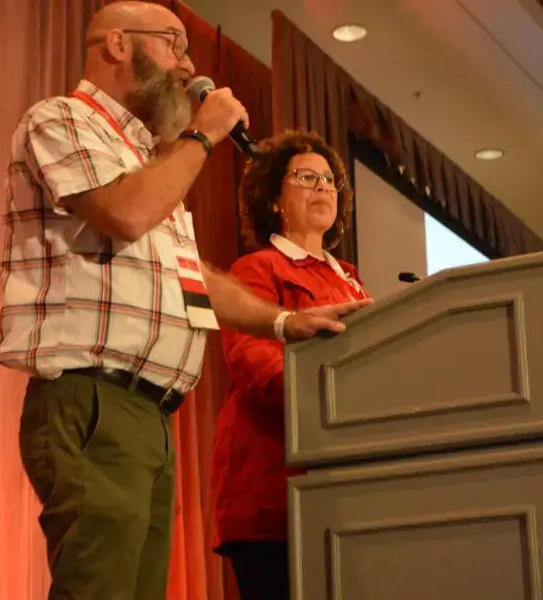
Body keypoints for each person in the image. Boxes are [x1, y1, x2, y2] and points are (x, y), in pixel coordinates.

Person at [0, 3, 370, 599]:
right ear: (117, 44)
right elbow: (125, 213)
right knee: (98, 588)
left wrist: (282, 320)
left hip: (150, 414)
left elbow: (190, 275)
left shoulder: (150, 157)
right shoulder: (62, 119)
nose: (188, 64)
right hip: (94, 395)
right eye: (173, 43)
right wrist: (203, 134)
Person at [211, 130, 371, 599]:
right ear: (274, 198)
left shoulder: (352, 281)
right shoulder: (258, 269)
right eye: (306, 177)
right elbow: (254, 365)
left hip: (345, 492)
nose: (322, 187)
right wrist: (339, 396)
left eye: (328, 180)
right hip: (274, 495)